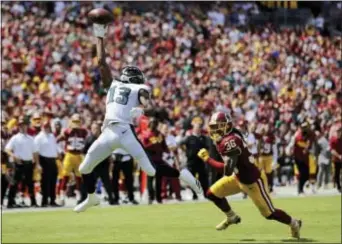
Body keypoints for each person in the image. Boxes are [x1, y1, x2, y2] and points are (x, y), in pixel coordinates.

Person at [74, 23, 202, 213]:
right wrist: (99, 36)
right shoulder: (114, 84)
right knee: (84, 168)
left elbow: (144, 96)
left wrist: (141, 108)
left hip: (126, 131)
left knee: (150, 170)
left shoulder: (138, 87)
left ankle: (184, 175)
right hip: (108, 132)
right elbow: (101, 62)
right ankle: (92, 197)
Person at [197, 112, 302, 239]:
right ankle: (231, 216)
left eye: (218, 126)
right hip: (238, 177)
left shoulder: (231, 141)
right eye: (213, 127)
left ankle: (294, 223)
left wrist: (207, 159)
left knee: (269, 214)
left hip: (253, 181)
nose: (214, 130)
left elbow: (227, 170)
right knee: (211, 194)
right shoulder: (228, 137)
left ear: (227, 126)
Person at [5, 117, 39, 208]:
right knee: (15, 183)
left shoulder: (31, 138)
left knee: (30, 183)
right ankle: (10, 202)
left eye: (24, 125)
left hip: (29, 163)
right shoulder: (15, 138)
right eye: (21, 125)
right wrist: (14, 156)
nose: (23, 127)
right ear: (19, 126)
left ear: (27, 126)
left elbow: (35, 152)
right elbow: (7, 149)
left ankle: (33, 202)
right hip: (19, 163)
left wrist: (37, 163)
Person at [80, 122, 115, 205]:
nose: (95, 130)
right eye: (93, 128)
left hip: (103, 165)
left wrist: (110, 161)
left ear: (99, 129)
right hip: (93, 166)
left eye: (96, 128)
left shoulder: (104, 138)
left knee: (107, 183)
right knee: (89, 183)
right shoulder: (88, 139)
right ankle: (83, 199)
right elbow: (83, 152)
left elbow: (109, 150)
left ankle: (112, 200)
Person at [57, 113, 88, 205]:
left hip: (79, 155)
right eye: (74, 120)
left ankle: (78, 194)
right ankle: (61, 195)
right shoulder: (67, 131)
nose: (76, 123)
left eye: (78, 120)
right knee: (65, 175)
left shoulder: (84, 131)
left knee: (79, 176)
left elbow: (88, 140)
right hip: (69, 154)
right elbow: (57, 140)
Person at [178, 118, 210, 200]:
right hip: (191, 161)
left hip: (201, 161)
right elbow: (180, 144)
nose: (198, 129)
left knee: (203, 178)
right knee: (192, 179)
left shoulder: (203, 138)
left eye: (199, 128)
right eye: (196, 128)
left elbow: (208, 147)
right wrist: (185, 151)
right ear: (193, 129)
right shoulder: (189, 138)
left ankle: (206, 194)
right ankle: (194, 195)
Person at [34, 121, 61, 207]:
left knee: (53, 180)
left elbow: (55, 146)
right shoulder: (39, 137)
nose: (47, 128)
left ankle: (52, 200)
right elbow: (36, 152)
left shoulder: (51, 136)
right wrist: (38, 164)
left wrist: (59, 152)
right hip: (44, 160)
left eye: (48, 127)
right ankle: (44, 201)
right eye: (45, 127)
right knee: (45, 181)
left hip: (52, 160)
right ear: (42, 127)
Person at [330, 126, 342, 193]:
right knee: (337, 173)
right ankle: (339, 187)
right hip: (336, 159)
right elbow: (332, 150)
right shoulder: (333, 139)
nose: (338, 133)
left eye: (339, 131)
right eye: (337, 131)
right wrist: (339, 156)